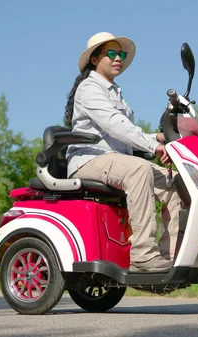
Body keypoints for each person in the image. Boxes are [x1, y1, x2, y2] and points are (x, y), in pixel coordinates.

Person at [64, 32, 182, 272]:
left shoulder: (114, 91)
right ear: (95, 60)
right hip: (89, 160)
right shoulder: (89, 88)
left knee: (175, 184)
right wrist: (154, 147)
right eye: (111, 53)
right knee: (138, 169)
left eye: (121, 54)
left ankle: (171, 257)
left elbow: (124, 133)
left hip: (115, 160)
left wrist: (159, 138)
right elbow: (114, 125)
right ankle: (143, 255)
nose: (118, 57)